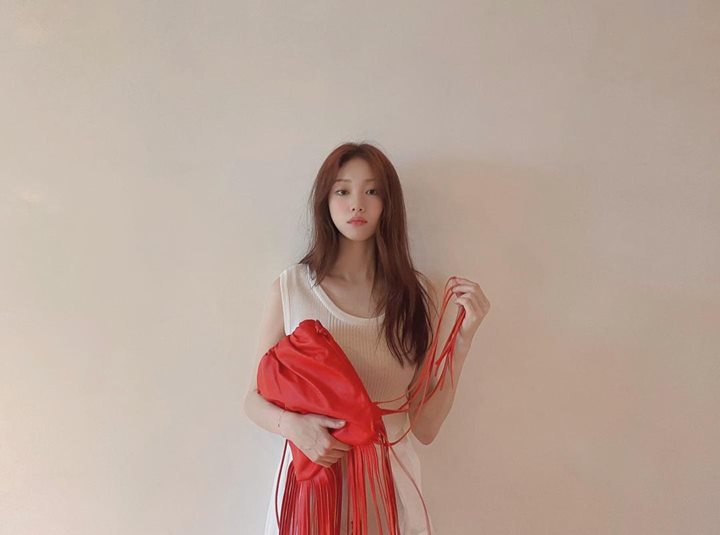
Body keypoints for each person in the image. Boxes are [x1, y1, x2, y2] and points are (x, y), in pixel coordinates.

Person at [244, 142, 490, 534]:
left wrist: (461, 342)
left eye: (371, 191)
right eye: (342, 191)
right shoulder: (292, 289)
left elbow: (425, 426)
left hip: (386, 493)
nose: (356, 204)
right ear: (325, 201)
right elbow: (253, 398)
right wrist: (293, 426)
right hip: (313, 491)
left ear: (388, 203)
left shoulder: (415, 295)